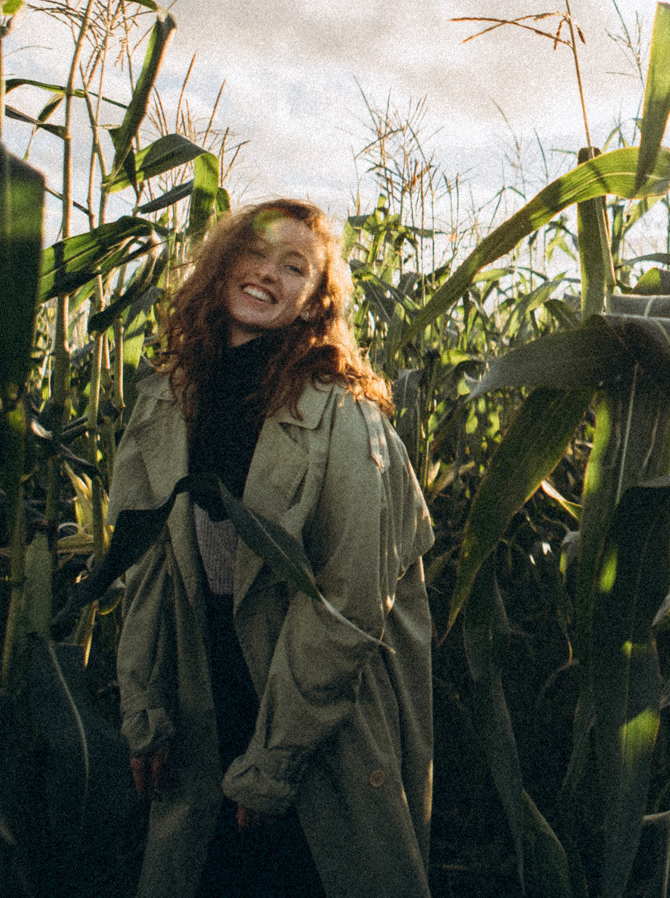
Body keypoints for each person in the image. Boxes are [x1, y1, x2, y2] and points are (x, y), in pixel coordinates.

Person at [110, 199, 433, 898]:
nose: (267, 273)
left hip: (312, 700)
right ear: (224, 263)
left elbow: (349, 602)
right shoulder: (166, 399)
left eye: (295, 267)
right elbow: (144, 570)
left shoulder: (345, 415)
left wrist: (273, 758)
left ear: (314, 300)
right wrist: (145, 710)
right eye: (257, 252)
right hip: (205, 682)